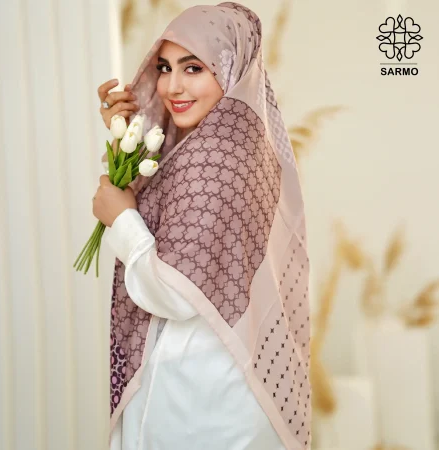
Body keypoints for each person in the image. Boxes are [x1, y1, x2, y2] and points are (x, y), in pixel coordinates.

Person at [93, 3, 311, 449]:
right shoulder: (239, 142)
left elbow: (176, 291)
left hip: (202, 402)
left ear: (229, 70)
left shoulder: (216, 160)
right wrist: (123, 137)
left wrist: (122, 220)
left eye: (193, 68)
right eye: (165, 67)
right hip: (214, 390)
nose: (172, 86)